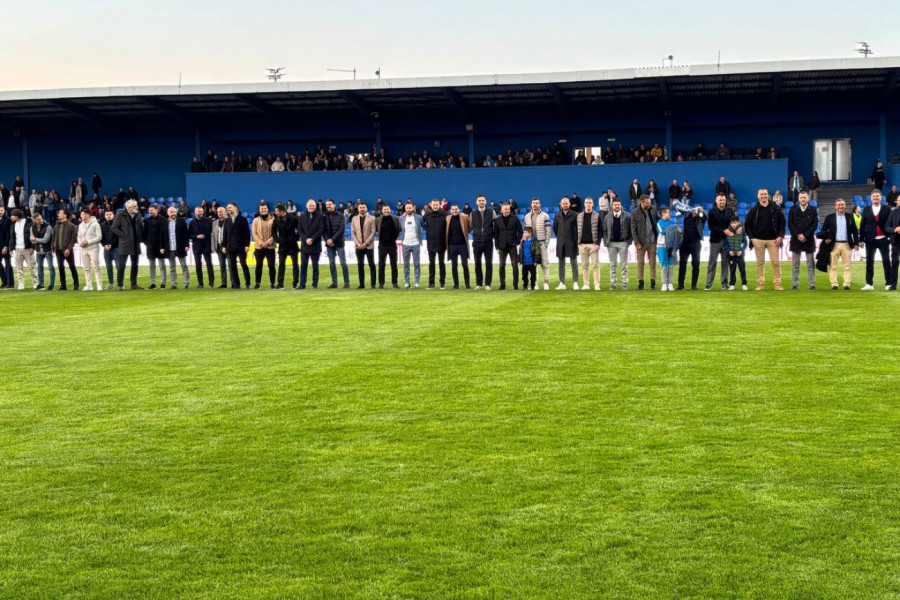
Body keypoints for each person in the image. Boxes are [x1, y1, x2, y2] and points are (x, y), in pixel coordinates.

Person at [745, 189, 786, 291]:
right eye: (761, 194)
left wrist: (780, 236)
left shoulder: (775, 208)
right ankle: (760, 284)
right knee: (760, 263)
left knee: (775, 263)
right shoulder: (754, 209)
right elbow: (747, 225)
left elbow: (782, 223)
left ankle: (777, 283)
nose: (763, 196)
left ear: (768, 195)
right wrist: (752, 238)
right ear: (758, 196)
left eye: (765, 194)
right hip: (758, 240)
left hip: (773, 240)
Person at [819, 199, 858, 290]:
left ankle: (846, 284)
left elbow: (855, 231)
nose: (841, 206)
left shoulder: (849, 217)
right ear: (835, 206)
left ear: (845, 206)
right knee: (832, 265)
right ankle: (834, 284)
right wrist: (826, 238)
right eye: (839, 205)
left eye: (842, 205)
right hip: (834, 244)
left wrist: (856, 243)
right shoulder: (829, 217)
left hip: (846, 244)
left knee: (848, 265)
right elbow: (823, 231)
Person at [858, 189, 892, 290]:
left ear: (880, 197)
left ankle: (888, 283)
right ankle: (869, 284)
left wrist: (889, 236)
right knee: (869, 262)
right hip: (870, 240)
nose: (876, 198)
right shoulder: (866, 209)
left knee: (886, 261)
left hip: (884, 239)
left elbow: (890, 223)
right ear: (871, 198)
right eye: (874, 196)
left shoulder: (887, 209)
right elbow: (862, 225)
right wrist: (861, 239)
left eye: (877, 196)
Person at [787, 191, 819, 290]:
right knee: (795, 265)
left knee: (810, 265)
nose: (803, 199)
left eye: (804, 197)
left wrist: (805, 235)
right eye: (801, 197)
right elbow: (790, 224)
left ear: (808, 198)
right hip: (796, 240)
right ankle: (795, 284)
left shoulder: (813, 210)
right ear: (798, 199)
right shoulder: (792, 210)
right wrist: (798, 235)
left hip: (808, 240)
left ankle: (812, 284)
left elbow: (815, 224)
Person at [110, 200, 143, 290]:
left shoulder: (138, 215)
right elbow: (114, 227)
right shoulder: (120, 215)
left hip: (136, 243)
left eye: (136, 205)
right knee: (122, 265)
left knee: (135, 264)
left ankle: (134, 284)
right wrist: (123, 235)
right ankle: (120, 284)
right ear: (129, 207)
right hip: (125, 243)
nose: (136, 207)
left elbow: (140, 227)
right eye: (134, 206)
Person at [705, 193, 735, 290]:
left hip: (727, 241)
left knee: (725, 262)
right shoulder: (711, 212)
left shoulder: (730, 211)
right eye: (720, 200)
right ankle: (708, 284)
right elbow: (711, 226)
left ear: (726, 201)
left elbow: (733, 224)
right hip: (715, 240)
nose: (722, 202)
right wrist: (723, 230)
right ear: (716, 201)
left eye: (724, 200)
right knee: (712, 262)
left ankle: (724, 283)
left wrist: (730, 231)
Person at [523, 197, 552, 290]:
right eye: (533, 203)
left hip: (541, 242)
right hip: (531, 244)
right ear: (531, 204)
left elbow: (548, 231)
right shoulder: (527, 216)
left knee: (544, 263)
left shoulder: (545, 215)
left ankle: (546, 283)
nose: (535, 205)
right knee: (533, 265)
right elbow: (525, 231)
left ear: (540, 204)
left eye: (537, 203)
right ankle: (535, 283)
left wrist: (546, 243)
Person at [603, 199, 631, 291]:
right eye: (615, 205)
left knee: (624, 265)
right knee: (612, 265)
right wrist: (606, 242)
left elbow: (631, 229)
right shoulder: (607, 216)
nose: (617, 206)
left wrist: (628, 242)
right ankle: (613, 284)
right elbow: (604, 230)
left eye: (618, 204)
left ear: (621, 205)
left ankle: (624, 284)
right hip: (611, 244)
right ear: (612, 206)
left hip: (623, 243)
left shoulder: (627, 216)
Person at [631, 194, 657, 290]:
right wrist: (636, 242)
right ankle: (640, 282)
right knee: (640, 263)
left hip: (652, 241)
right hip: (641, 243)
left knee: (653, 263)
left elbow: (658, 221)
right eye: (647, 203)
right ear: (642, 203)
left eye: (649, 202)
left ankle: (653, 282)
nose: (649, 204)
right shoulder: (634, 212)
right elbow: (633, 229)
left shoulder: (653, 209)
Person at [494, 203, 523, 290]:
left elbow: (520, 231)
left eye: (508, 209)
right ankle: (502, 284)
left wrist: (517, 242)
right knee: (501, 265)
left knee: (514, 265)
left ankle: (515, 285)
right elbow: (496, 234)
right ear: (501, 210)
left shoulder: (515, 219)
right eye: (505, 209)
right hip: (502, 246)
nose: (507, 210)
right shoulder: (497, 220)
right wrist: (496, 246)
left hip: (512, 245)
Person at [677, 205, 706, 290]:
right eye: (694, 212)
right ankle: (680, 285)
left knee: (696, 264)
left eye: (696, 213)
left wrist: (702, 210)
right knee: (682, 264)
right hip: (684, 243)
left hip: (696, 244)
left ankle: (694, 285)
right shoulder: (687, 215)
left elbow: (706, 216)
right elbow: (679, 207)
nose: (695, 214)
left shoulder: (701, 219)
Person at [322, 199, 349, 289]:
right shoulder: (324, 215)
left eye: (329, 204)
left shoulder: (340, 215)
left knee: (343, 263)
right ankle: (334, 283)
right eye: (326, 204)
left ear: (334, 204)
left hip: (339, 243)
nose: (328, 206)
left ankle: (347, 283)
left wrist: (332, 240)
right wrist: (327, 240)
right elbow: (323, 230)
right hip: (329, 244)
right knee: (332, 264)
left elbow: (341, 229)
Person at [470, 195, 495, 290]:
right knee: (477, 263)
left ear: (485, 202)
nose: (481, 202)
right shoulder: (473, 213)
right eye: (479, 200)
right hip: (477, 242)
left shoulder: (492, 212)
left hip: (488, 241)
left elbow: (496, 225)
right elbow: (471, 226)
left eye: (482, 200)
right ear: (476, 202)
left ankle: (488, 284)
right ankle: (479, 284)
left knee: (489, 263)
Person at [576, 197, 602, 290]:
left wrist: (598, 244)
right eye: (586, 202)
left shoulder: (597, 215)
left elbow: (600, 231)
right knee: (584, 266)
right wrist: (578, 244)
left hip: (593, 245)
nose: (588, 204)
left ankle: (596, 284)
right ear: (584, 204)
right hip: (582, 245)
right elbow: (577, 230)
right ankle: (586, 284)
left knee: (595, 265)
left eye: (590, 202)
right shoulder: (579, 216)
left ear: (593, 204)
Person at [298, 199, 324, 289]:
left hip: (315, 244)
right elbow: (300, 230)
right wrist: (306, 239)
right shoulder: (302, 217)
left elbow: (320, 230)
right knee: (303, 266)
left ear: (315, 206)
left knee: (315, 266)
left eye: (313, 205)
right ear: (306, 206)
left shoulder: (320, 217)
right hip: (305, 245)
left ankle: (315, 284)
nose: (311, 207)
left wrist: (312, 239)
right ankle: (302, 284)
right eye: (310, 205)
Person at [553, 197, 578, 289]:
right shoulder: (557, 216)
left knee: (574, 263)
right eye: (563, 203)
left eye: (566, 203)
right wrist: (561, 238)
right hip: (560, 243)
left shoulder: (575, 215)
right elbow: (555, 230)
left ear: (569, 204)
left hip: (572, 242)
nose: (565, 205)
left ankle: (575, 282)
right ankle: (562, 283)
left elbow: (578, 230)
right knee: (561, 264)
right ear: (561, 204)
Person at [9, 209, 38, 290]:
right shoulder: (13, 225)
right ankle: (21, 284)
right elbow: (12, 238)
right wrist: (11, 248)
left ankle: (35, 283)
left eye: (12, 215)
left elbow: (33, 235)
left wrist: (33, 247)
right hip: (17, 248)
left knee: (32, 267)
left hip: (28, 248)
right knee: (19, 268)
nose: (11, 217)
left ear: (17, 216)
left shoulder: (29, 223)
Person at [162, 206, 190, 289]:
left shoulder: (181, 221)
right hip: (169, 248)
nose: (173, 213)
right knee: (172, 268)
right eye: (171, 212)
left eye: (174, 212)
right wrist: (162, 247)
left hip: (180, 247)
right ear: (168, 213)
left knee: (184, 266)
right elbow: (162, 236)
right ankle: (174, 284)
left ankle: (186, 283)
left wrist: (186, 245)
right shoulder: (164, 222)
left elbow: (186, 234)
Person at [398, 201, 424, 289]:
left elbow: (424, 226)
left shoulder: (418, 217)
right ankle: (407, 282)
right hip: (405, 244)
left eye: (410, 208)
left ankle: (417, 282)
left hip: (416, 243)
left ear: (413, 208)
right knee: (406, 265)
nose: (408, 209)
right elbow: (399, 228)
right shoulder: (401, 218)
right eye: (407, 208)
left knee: (417, 264)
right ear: (405, 209)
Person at [225, 203, 251, 289]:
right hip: (230, 246)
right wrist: (224, 246)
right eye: (227, 208)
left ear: (235, 208)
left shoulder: (242, 220)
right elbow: (225, 234)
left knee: (243, 264)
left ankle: (248, 283)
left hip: (241, 246)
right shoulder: (227, 220)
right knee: (232, 266)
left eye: (230, 207)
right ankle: (236, 284)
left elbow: (247, 233)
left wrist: (247, 245)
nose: (228, 209)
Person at [273, 203, 299, 289]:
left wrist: (295, 238)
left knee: (295, 264)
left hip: (293, 244)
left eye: (276, 211)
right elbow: (273, 231)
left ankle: (295, 283)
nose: (275, 212)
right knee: (281, 264)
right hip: (282, 245)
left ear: (281, 211)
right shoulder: (276, 220)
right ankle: (280, 284)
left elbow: (299, 229)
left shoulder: (293, 218)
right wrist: (277, 240)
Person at [423, 199, 447, 289]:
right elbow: (421, 223)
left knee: (441, 263)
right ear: (431, 205)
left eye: (437, 205)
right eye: (434, 205)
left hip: (442, 242)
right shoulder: (427, 215)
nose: (435, 206)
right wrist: (428, 229)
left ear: (439, 205)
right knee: (431, 264)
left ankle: (442, 283)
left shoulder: (445, 214)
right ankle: (431, 284)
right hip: (431, 243)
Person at [351, 202, 376, 288]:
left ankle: (373, 284)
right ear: (358, 209)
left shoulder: (372, 218)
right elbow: (353, 232)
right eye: (360, 207)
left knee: (371, 264)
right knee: (360, 265)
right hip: (358, 246)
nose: (362, 209)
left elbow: (373, 232)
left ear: (366, 209)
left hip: (369, 246)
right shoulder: (354, 219)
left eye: (363, 207)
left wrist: (365, 243)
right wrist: (358, 243)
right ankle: (362, 284)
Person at [251, 203, 277, 289]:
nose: (263, 210)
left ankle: (272, 283)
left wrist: (268, 242)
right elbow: (254, 233)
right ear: (259, 210)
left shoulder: (274, 219)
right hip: (259, 246)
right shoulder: (255, 220)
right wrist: (261, 242)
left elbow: (275, 233)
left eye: (265, 208)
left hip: (270, 246)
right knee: (258, 265)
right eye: (261, 209)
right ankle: (258, 283)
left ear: (267, 209)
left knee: (271, 265)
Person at [77, 208, 103, 291]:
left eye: (82, 214)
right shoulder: (81, 225)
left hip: (93, 248)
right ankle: (89, 285)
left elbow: (99, 237)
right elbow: (79, 236)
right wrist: (80, 242)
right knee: (86, 267)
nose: (81, 216)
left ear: (87, 215)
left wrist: (88, 241)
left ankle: (99, 285)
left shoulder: (95, 224)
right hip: (84, 248)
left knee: (96, 267)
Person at [445, 204, 471, 289]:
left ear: (459, 210)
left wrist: (467, 217)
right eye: (453, 209)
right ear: (450, 210)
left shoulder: (464, 218)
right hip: (452, 246)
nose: (454, 210)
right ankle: (456, 284)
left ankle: (467, 284)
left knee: (465, 265)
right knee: (454, 266)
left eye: (456, 209)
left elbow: (471, 225)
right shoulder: (448, 218)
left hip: (463, 245)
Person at [188, 206, 214, 289]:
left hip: (207, 245)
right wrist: (197, 236)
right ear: (195, 212)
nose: (200, 213)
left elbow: (212, 233)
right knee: (198, 266)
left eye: (201, 211)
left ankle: (211, 283)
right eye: (199, 211)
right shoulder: (192, 223)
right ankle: (200, 283)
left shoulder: (208, 221)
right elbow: (189, 235)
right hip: (197, 246)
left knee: (209, 265)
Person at [142, 205, 167, 289]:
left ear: (157, 210)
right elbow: (144, 234)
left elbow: (164, 234)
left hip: (160, 246)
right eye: (149, 210)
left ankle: (163, 283)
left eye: (151, 210)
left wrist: (163, 246)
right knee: (151, 266)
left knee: (162, 265)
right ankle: (153, 283)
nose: (150, 212)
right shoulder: (146, 220)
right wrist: (146, 243)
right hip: (150, 246)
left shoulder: (163, 220)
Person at [376, 204, 400, 288]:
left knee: (394, 265)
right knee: (381, 265)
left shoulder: (396, 219)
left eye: (387, 209)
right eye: (384, 209)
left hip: (392, 245)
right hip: (382, 245)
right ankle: (381, 283)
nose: (386, 211)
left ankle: (395, 282)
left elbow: (400, 228)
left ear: (390, 210)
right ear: (382, 211)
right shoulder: (378, 220)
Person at [30, 213, 54, 290]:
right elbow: (32, 241)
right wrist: (35, 240)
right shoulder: (32, 228)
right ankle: (41, 284)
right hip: (38, 250)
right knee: (40, 267)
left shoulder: (48, 227)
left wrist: (35, 239)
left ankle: (51, 284)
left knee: (50, 267)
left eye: (40, 218)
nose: (40, 220)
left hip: (47, 250)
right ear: (35, 220)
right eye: (38, 219)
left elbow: (46, 240)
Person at [725, 215, 748, 290]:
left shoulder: (742, 230)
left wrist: (742, 250)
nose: (733, 225)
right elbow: (726, 243)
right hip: (732, 254)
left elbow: (745, 242)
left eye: (735, 223)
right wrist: (729, 251)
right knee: (732, 269)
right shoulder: (727, 231)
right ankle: (732, 284)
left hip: (740, 253)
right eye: (732, 223)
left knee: (742, 269)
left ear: (738, 222)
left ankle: (744, 284)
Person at [655, 206, 676, 291]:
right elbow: (662, 231)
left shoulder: (671, 222)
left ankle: (670, 283)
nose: (669, 214)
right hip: (662, 246)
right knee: (664, 266)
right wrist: (672, 229)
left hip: (670, 246)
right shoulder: (659, 222)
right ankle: (664, 284)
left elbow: (674, 231)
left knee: (670, 266)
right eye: (668, 212)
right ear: (663, 214)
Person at [99, 209, 120, 290]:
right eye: (107, 214)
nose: (108, 216)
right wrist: (104, 245)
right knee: (108, 267)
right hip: (106, 249)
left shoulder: (117, 224)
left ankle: (120, 283)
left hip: (116, 248)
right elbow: (100, 237)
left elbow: (118, 236)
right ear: (104, 216)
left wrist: (111, 245)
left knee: (118, 267)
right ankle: (111, 284)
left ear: (113, 215)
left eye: (110, 214)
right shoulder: (102, 225)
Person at [211, 206, 229, 288]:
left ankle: (234, 283)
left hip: (228, 247)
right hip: (218, 246)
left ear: (225, 212)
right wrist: (213, 246)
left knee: (231, 266)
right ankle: (224, 283)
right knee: (222, 266)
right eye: (218, 212)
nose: (219, 213)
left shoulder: (229, 221)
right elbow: (213, 235)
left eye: (221, 211)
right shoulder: (214, 222)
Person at [519, 227, 541, 291]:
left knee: (533, 275)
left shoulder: (534, 241)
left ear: (530, 233)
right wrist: (519, 260)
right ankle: (525, 286)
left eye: (525, 232)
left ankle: (532, 286)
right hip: (524, 262)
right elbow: (520, 251)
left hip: (532, 262)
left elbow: (537, 251)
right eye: (524, 232)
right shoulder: (522, 241)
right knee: (524, 276)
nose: (524, 234)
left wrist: (536, 261)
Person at [886, 199, 900, 291]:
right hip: (896, 241)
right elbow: (887, 226)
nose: (898, 202)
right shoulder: (893, 212)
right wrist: (895, 229)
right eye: (898, 200)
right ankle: (893, 284)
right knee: (894, 263)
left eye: (899, 200)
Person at [0, 206, 11, 288]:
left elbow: (8, 235)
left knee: (8, 264)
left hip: (4, 245)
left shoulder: (7, 220)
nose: (0, 211)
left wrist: (6, 246)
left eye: (1, 210)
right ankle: (4, 281)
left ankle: (10, 283)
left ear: (4, 211)